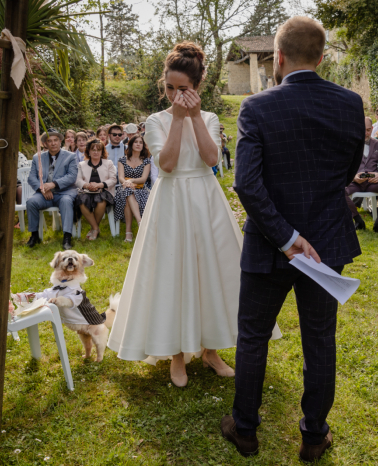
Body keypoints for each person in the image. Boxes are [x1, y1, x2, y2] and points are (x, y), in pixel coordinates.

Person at [220, 17, 363, 462]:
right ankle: (314, 434)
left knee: (253, 337)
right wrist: (303, 232)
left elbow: (246, 183)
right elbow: (347, 170)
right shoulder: (350, 103)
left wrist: (285, 237)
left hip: (268, 241)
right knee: (319, 339)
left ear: (277, 57)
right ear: (321, 57)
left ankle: (245, 429)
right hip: (326, 240)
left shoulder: (256, 107)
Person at [108, 42, 274, 390]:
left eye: (182, 89)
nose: (174, 95)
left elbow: (212, 159)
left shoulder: (210, 118)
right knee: (173, 271)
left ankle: (210, 350)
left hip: (204, 199)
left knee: (210, 270)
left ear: (196, 87)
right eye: (169, 87)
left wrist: (195, 116)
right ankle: (177, 354)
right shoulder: (155, 121)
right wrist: (179, 119)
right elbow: (166, 164)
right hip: (170, 200)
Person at [26, 128, 78, 250]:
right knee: (31, 202)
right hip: (44, 193)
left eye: (56, 140)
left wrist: (53, 184)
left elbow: (72, 176)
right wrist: (43, 189)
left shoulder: (70, 156)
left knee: (66, 201)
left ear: (60, 141)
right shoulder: (37, 157)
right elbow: (31, 178)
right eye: (50, 141)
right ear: (45, 144)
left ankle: (67, 237)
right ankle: (34, 235)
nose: (53, 143)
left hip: (64, 192)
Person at [346, 117, 378, 235]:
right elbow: (342, 167)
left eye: (368, 130)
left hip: (373, 182)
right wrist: (353, 177)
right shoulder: (349, 145)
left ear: (372, 129)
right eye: (363, 130)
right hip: (355, 183)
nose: (366, 133)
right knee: (336, 189)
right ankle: (357, 219)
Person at [74, 139, 117, 240]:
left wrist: (99, 185)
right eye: (93, 150)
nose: (96, 152)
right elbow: (78, 180)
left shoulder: (108, 163)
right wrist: (87, 185)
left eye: (99, 150)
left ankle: (94, 229)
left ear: (102, 151)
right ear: (88, 151)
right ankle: (96, 228)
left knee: (101, 201)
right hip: (87, 190)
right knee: (81, 201)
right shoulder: (82, 164)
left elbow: (113, 179)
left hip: (103, 191)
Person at [113, 135, 151, 242]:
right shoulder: (122, 160)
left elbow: (143, 179)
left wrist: (131, 181)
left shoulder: (146, 161)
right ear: (131, 144)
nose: (138, 144)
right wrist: (127, 183)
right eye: (136, 142)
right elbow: (120, 177)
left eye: (141, 142)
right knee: (127, 191)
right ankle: (140, 222)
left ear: (143, 146)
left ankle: (128, 232)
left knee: (128, 195)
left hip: (141, 190)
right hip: (124, 188)